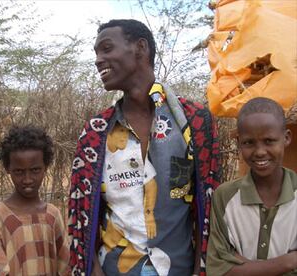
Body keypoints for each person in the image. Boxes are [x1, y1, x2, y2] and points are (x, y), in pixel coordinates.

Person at [68, 19, 221, 276]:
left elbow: (207, 210)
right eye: (96, 52)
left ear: (140, 48)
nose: (98, 59)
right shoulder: (95, 133)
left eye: (106, 48)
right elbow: (80, 216)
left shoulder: (194, 123)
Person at [206, 97, 297, 275]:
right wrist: (288, 262)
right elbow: (218, 269)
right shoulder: (224, 196)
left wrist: (244, 265)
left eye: (269, 141)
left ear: (286, 138)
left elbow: (230, 268)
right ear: (238, 142)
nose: (260, 152)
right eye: (249, 142)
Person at [0, 126, 69, 275]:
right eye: (19, 172)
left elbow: (65, 266)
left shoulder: (53, 215)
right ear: (8, 169)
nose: (28, 179)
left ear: (46, 167)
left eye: (35, 170)